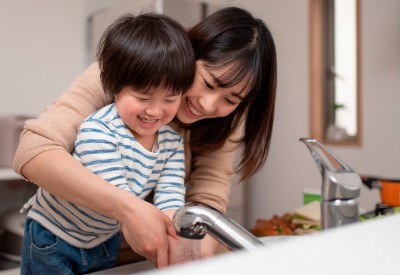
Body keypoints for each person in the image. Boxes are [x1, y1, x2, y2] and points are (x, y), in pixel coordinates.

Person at [13, 6, 277, 269]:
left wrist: (190, 254)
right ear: (189, 56)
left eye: (231, 99)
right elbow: (34, 150)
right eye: (208, 83)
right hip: (69, 238)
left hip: (141, 253)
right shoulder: (130, 69)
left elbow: (208, 191)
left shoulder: (209, 126)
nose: (209, 105)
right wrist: (128, 210)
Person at [18, 12, 195, 274]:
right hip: (55, 236)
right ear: (114, 86)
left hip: (103, 239)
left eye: (170, 100)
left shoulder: (171, 143)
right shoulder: (99, 129)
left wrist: (174, 234)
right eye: (143, 97)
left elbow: (170, 195)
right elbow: (120, 197)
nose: (156, 111)